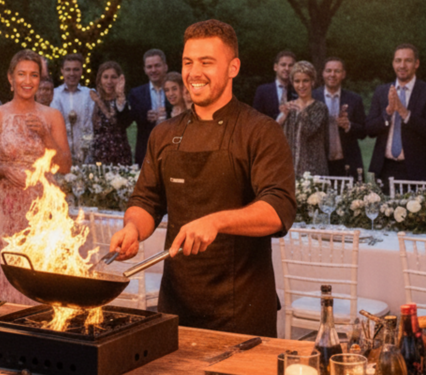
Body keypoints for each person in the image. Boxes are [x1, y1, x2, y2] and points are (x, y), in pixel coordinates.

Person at [111, 19, 296, 337]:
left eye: (207, 62)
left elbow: (279, 209)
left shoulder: (260, 130)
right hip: (176, 305)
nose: (194, 73)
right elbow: (146, 200)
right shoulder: (165, 134)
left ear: (233, 67)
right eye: (188, 62)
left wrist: (216, 222)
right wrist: (132, 228)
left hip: (242, 308)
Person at [0, 50, 70, 303]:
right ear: (10, 78)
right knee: (7, 267)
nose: (28, 81)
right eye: (21, 74)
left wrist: (46, 136)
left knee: (40, 270)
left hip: (43, 204)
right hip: (6, 206)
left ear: (40, 80)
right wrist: (3, 170)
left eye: (34, 75)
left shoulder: (52, 116)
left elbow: (64, 166)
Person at [366, 44, 426, 186]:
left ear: (416, 63)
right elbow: (369, 129)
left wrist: (404, 113)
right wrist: (388, 111)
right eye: (398, 60)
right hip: (384, 169)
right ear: (393, 63)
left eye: (407, 60)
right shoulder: (382, 91)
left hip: (418, 170)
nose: (402, 65)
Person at [311, 57, 367, 178]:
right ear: (323, 73)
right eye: (329, 70)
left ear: (343, 74)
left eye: (337, 71)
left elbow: (364, 132)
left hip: (348, 162)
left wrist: (349, 126)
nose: (332, 74)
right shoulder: (312, 97)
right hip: (319, 163)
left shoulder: (354, 99)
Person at [277, 61, 328, 176]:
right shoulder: (288, 107)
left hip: (313, 171)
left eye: (305, 81)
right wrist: (283, 116)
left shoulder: (320, 107)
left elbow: (308, 129)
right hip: (290, 169)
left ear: (312, 82)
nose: (301, 86)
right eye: (297, 81)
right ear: (292, 82)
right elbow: (274, 134)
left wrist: (301, 112)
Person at [127, 49, 171, 166]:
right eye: (149, 67)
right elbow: (128, 119)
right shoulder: (136, 93)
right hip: (146, 151)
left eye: (157, 66)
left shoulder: (175, 89)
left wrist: (168, 113)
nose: (153, 70)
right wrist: (145, 116)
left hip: (172, 149)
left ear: (165, 67)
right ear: (145, 70)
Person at [50, 53, 95, 164]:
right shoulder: (53, 94)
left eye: (76, 69)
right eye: (68, 69)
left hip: (86, 156)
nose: (72, 73)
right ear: (62, 71)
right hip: (59, 155)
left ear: (81, 71)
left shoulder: (90, 94)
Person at [90, 61, 134, 165]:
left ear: (119, 80)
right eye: (105, 77)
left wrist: (120, 97)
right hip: (98, 154)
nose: (109, 81)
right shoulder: (93, 100)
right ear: (100, 79)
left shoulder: (122, 101)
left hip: (120, 155)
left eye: (113, 77)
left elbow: (125, 123)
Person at [252, 50, 296, 118]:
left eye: (290, 65)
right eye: (283, 65)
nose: (287, 68)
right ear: (275, 67)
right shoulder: (263, 91)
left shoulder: (297, 91)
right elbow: (255, 118)